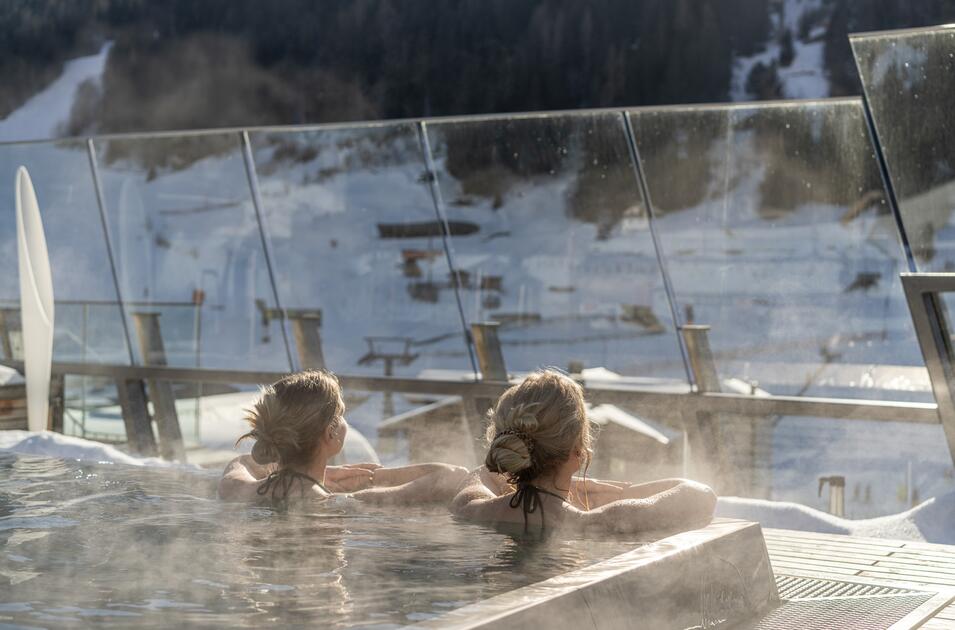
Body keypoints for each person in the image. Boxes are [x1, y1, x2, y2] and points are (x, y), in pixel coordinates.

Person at [450, 369, 717, 534]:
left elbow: (481, 473)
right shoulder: (591, 524)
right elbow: (700, 496)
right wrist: (624, 493)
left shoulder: (470, 509)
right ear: (578, 452)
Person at [217, 369, 467, 509]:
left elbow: (242, 462)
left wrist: (323, 473)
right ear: (331, 433)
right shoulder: (338, 504)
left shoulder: (240, 490)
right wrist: (373, 478)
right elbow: (454, 476)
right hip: (321, 599)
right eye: (342, 415)